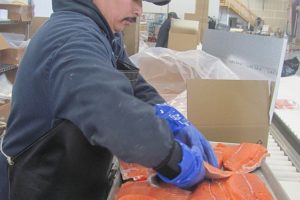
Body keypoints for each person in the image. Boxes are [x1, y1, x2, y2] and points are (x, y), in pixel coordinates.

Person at [0, 0, 218, 199]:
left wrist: (168, 114)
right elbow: (114, 114)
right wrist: (174, 159)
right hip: (44, 185)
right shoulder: (72, 38)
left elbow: (133, 83)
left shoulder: (103, 33)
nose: (139, 10)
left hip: (78, 176)